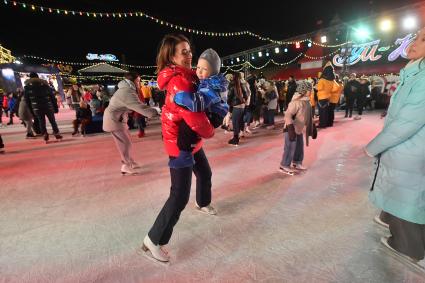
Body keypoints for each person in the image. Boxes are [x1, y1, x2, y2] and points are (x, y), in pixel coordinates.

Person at [142, 34, 216, 263]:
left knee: (204, 172)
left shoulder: (189, 75)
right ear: (171, 57)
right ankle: (153, 240)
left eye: (189, 50)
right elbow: (195, 116)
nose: (189, 54)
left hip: (190, 140)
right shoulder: (179, 81)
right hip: (180, 145)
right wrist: (211, 130)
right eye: (183, 52)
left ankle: (202, 202)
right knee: (179, 195)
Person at [365, 27, 425, 270]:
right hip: (409, 146)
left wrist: (374, 146)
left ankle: (410, 247)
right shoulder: (414, 72)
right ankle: (388, 215)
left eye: (422, 40)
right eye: (415, 37)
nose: (412, 44)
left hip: (411, 148)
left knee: (405, 193)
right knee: (401, 189)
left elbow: (406, 123)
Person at [171, 48, 228, 168]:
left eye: (205, 69)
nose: (199, 72)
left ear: (213, 72)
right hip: (213, 111)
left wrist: (178, 97)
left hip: (214, 114)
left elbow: (199, 102)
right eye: (198, 68)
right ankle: (189, 148)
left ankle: (185, 155)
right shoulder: (208, 81)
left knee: (187, 126)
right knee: (190, 125)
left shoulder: (213, 86)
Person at [102, 71, 158, 175]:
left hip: (119, 119)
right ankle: (125, 166)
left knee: (127, 142)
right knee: (124, 143)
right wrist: (156, 112)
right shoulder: (126, 91)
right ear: (132, 81)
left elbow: (137, 104)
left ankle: (130, 162)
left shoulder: (127, 89)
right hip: (114, 120)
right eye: (138, 80)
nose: (139, 83)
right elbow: (138, 106)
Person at [279, 81, 314, 175]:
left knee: (299, 147)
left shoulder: (307, 102)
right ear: (303, 90)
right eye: (309, 90)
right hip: (291, 129)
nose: (311, 91)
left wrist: (312, 127)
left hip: (299, 128)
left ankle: (297, 162)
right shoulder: (296, 102)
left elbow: (308, 116)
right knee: (290, 147)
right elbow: (287, 115)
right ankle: (284, 165)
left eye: (311, 89)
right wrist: (290, 129)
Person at [24, 72, 62, 142]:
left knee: (41, 122)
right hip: (48, 105)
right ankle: (57, 133)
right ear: (38, 77)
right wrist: (55, 107)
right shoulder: (45, 85)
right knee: (52, 121)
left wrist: (31, 111)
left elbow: (27, 100)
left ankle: (45, 135)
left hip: (36, 107)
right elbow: (52, 97)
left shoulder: (27, 87)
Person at [227, 72, 247, 145]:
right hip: (242, 106)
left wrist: (229, 104)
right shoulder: (242, 84)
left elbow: (229, 96)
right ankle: (237, 136)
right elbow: (246, 95)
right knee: (240, 121)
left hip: (236, 107)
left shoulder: (232, 85)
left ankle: (236, 139)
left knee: (235, 123)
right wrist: (244, 100)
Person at [317, 62, 335, 128]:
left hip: (322, 97)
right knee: (326, 111)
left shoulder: (322, 80)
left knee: (322, 112)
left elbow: (319, 88)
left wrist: (316, 85)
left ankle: (322, 124)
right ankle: (326, 123)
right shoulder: (332, 80)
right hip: (328, 97)